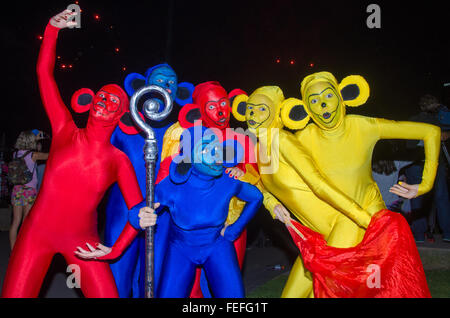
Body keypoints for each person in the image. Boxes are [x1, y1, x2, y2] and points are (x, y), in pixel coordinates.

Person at [1, 8, 155, 298]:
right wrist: (51, 29)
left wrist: (115, 249)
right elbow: (44, 74)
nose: (104, 101)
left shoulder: (117, 160)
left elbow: (136, 212)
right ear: (88, 101)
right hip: (36, 234)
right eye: (101, 96)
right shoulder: (63, 129)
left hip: (82, 242)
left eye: (113, 100)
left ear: (122, 114)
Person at [405, 94, 450, 242]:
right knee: (441, 197)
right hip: (434, 164)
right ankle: (447, 234)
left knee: (417, 198)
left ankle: (419, 235)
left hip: (417, 164)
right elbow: (445, 135)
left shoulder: (413, 120)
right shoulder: (439, 121)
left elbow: (409, 145)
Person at [9, 130, 48, 250]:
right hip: (29, 191)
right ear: (31, 141)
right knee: (26, 223)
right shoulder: (34, 155)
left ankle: (13, 251)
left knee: (15, 222)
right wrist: (44, 138)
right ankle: (23, 250)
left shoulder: (15, 154)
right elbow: (53, 155)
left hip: (16, 190)